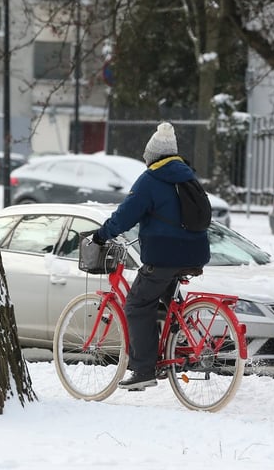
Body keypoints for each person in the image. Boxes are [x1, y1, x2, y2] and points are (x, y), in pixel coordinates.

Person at [91, 122, 210, 391]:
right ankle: (177, 344)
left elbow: (125, 216)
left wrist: (101, 234)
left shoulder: (151, 180)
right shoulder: (188, 177)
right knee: (163, 302)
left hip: (163, 256)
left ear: (152, 156)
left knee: (135, 304)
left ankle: (143, 370)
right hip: (196, 253)